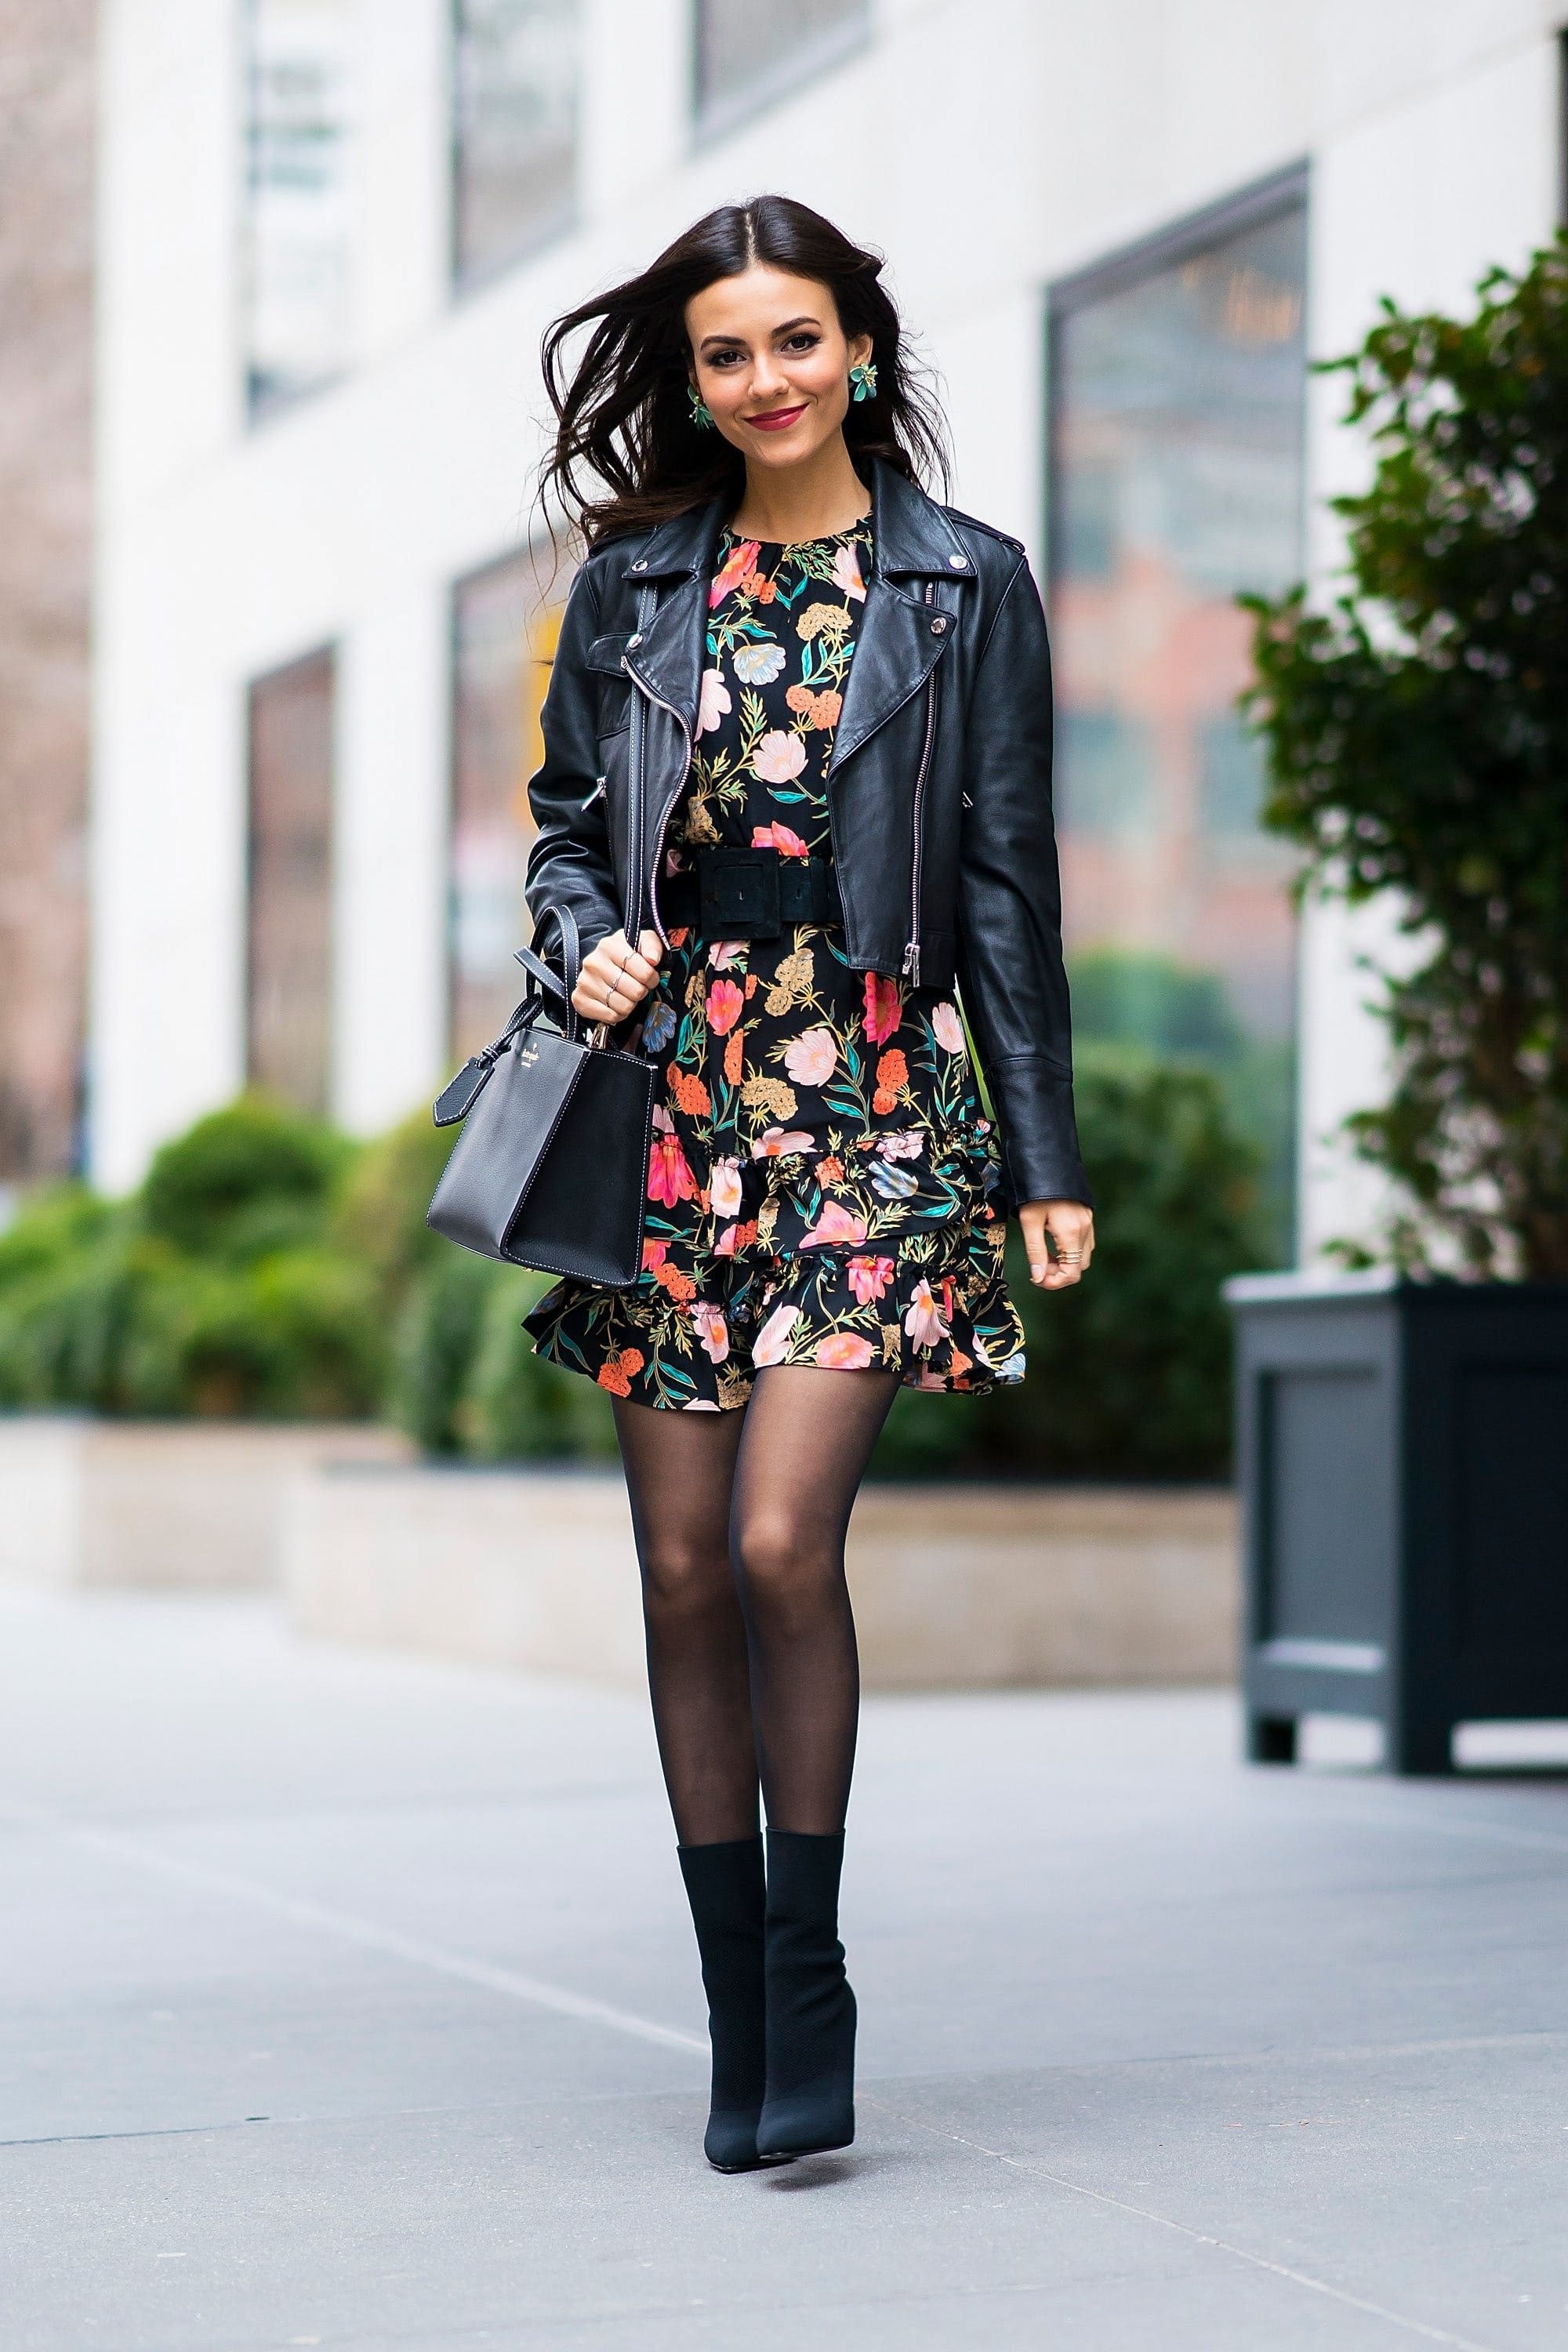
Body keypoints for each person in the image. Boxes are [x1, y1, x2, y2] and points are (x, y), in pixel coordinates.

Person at [523, 195, 1094, 2172]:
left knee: (778, 1546)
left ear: (859, 343)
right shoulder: (633, 586)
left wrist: (1043, 1149)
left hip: (867, 1090)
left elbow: (1009, 876)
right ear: (689, 379)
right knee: (679, 1567)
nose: (761, 381)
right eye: (722, 354)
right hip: (673, 1102)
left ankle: (815, 1969)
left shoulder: (964, 584)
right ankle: (734, 2014)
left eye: (794, 340)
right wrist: (576, 938)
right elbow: (565, 837)